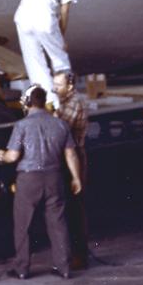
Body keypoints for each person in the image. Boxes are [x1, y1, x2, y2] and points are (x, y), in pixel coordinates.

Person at [0, 85, 83, 280]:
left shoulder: (22, 125)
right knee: (58, 223)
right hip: (54, 177)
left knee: (23, 224)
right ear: (44, 102)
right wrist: (76, 178)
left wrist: (1, 155)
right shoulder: (60, 124)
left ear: (27, 103)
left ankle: (22, 269)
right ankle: (64, 268)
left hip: (29, 179)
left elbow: (13, 156)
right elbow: (71, 154)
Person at [53, 70, 90, 269]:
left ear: (70, 86)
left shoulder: (74, 103)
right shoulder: (66, 102)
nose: (55, 89)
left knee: (75, 208)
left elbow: (61, 130)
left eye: (58, 86)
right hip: (69, 155)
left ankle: (79, 256)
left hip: (75, 156)